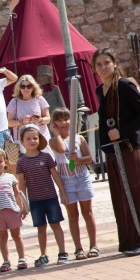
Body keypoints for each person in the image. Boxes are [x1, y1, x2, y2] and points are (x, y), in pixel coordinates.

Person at [93, 47, 140, 256]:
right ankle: (130, 241)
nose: (103, 67)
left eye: (106, 63)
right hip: (113, 152)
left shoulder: (124, 85)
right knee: (120, 196)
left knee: (136, 192)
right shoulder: (99, 90)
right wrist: (106, 144)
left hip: (130, 147)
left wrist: (122, 132)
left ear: (114, 63)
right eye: (99, 64)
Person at [49, 108, 99, 260]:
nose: (63, 122)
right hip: (66, 180)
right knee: (73, 215)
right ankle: (78, 248)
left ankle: (93, 245)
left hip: (81, 177)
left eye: (66, 119)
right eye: (59, 120)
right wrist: (56, 133)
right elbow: (61, 149)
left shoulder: (79, 139)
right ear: (54, 123)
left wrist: (78, 159)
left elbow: (89, 158)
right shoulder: (52, 141)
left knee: (87, 212)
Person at [16, 125, 69, 266]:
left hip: (51, 198)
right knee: (41, 228)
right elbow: (22, 185)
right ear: (22, 141)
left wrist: (63, 193)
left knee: (56, 225)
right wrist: (23, 204)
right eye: (28, 138)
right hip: (35, 201)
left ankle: (62, 252)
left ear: (39, 140)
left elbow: (56, 176)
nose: (32, 141)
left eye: (35, 138)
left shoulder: (46, 157)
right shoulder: (21, 162)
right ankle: (43, 255)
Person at [7, 75, 52, 159]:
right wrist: (21, 121)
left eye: (29, 86)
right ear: (19, 88)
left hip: (42, 137)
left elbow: (48, 119)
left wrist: (40, 120)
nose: (26, 89)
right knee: (29, 164)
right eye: (23, 86)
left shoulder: (40, 99)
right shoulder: (14, 102)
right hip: (24, 140)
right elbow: (9, 123)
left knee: (47, 162)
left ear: (33, 87)